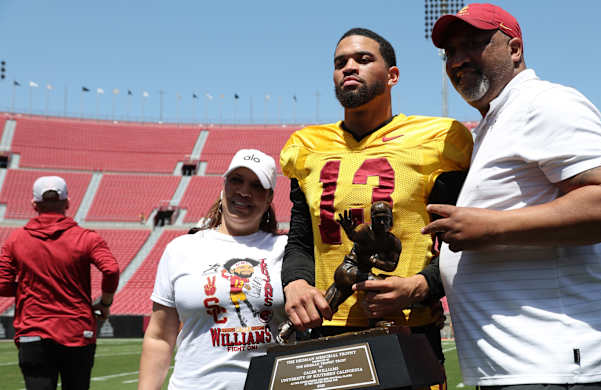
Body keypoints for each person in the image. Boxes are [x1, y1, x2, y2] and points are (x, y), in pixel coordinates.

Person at [425, 3, 601, 389]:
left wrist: (491, 227)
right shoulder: (498, 119)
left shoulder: (545, 103)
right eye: (450, 52)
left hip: (557, 362)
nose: (459, 59)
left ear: (514, 49)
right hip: (529, 360)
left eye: (474, 43)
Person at [280, 27, 472, 381]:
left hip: (407, 328)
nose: (349, 67)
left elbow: (460, 244)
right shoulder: (306, 146)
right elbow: (301, 241)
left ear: (392, 75)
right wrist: (294, 282)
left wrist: (420, 285)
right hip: (325, 330)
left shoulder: (439, 140)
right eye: (341, 63)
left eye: (363, 59)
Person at [138, 149, 288, 389]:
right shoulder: (180, 249)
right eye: (236, 180)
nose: (244, 192)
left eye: (257, 185)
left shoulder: (288, 250)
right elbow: (159, 337)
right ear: (224, 185)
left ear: (270, 197)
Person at [0, 175, 120, 390]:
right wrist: (105, 303)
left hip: (33, 330)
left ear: (34, 205)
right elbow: (111, 269)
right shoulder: (87, 238)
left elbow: (1, 284)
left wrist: (28, 286)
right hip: (77, 331)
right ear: (67, 203)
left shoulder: (15, 239)